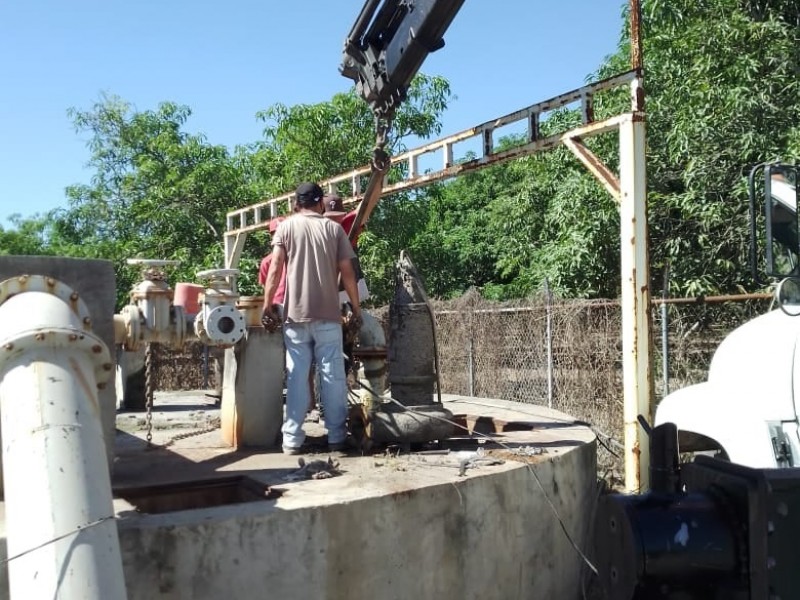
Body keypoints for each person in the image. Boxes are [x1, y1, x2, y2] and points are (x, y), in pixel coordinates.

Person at [262, 182, 362, 455]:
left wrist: (267, 304)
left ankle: (292, 441)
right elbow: (348, 272)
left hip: (294, 316)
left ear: (297, 203)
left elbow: (274, 270)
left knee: (295, 376)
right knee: (332, 375)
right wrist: (356, 307)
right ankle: (336, 438)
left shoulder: (286, 227)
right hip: (328, 315)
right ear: (320, 203)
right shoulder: (333, 230)